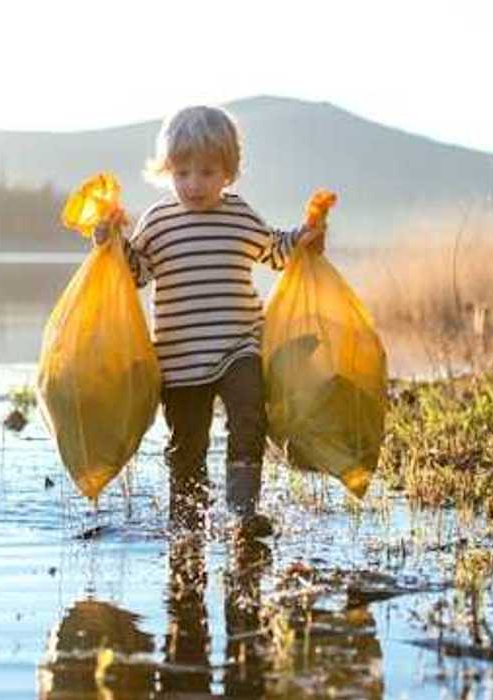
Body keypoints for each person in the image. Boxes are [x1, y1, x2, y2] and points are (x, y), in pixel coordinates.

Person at [93, 105, 326, 538]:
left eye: (206, 172)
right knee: (187, 446)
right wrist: (112, 242)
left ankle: (242, 511)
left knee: (249, 413)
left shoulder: (239, 216)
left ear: (228, 173)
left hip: (239, 345)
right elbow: (137, 273)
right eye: (182, 173)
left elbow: (275, 251)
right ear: (167, 172)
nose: (194, 185)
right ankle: (186, 521)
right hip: (179, 358)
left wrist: (306, 237)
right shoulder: (159, 222)